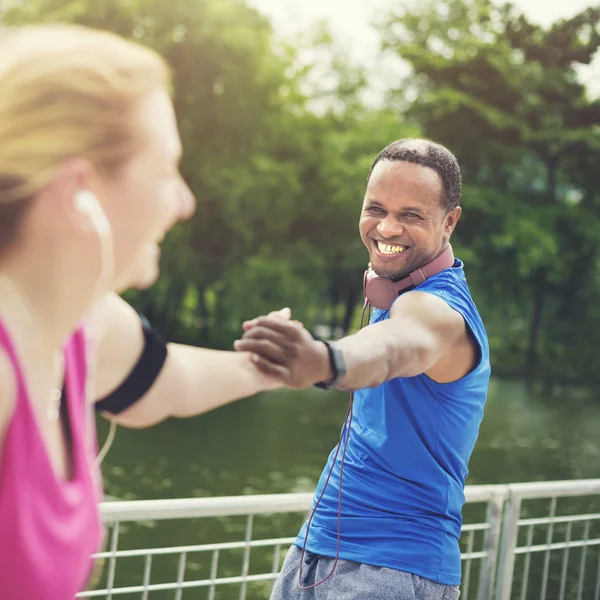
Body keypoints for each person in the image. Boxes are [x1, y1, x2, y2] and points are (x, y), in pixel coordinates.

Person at [0, 24, 287, 600]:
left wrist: (275, 365)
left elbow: (166, 380)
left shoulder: (81, 325)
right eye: (167, 169)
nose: (185, 201)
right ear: (80, 190)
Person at [235, 139, 491, 599]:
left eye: (411, 214)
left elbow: (396, 348)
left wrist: (322, 359)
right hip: (317, 549)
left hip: (391, 569)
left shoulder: (438, 311)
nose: (387, 227)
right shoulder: (394, 293)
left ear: (449, 221)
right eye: (376, 208)